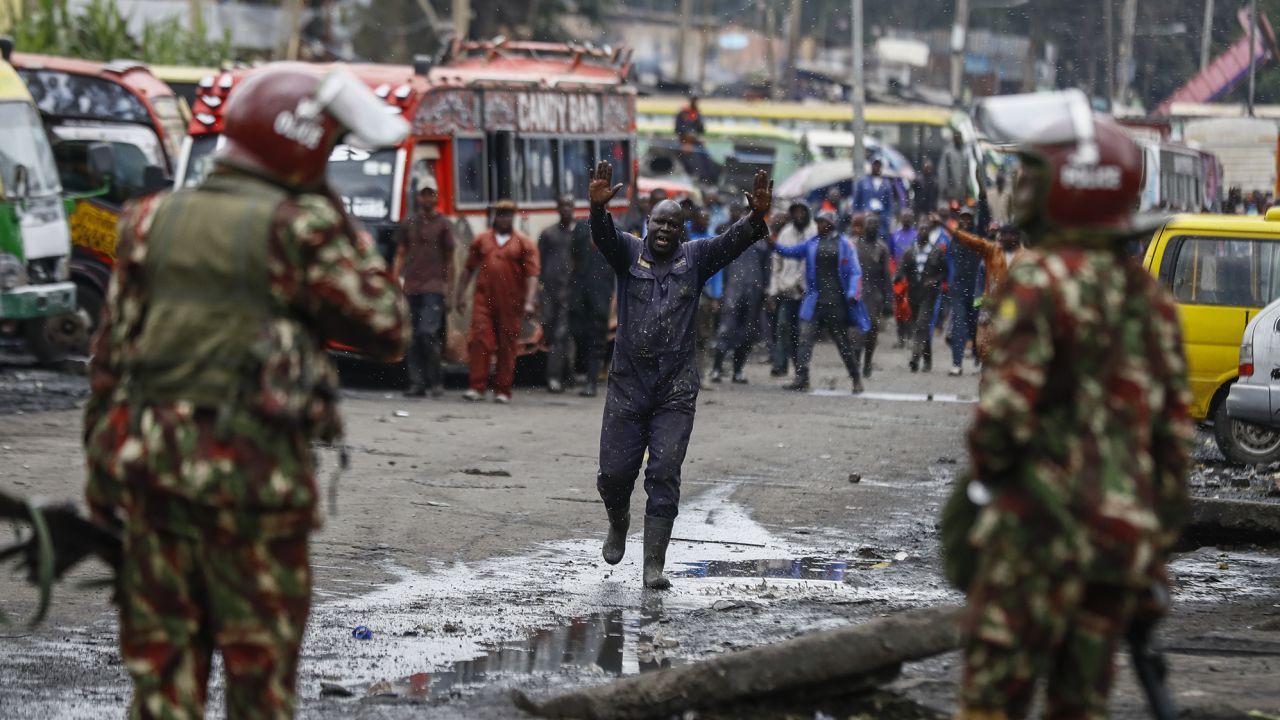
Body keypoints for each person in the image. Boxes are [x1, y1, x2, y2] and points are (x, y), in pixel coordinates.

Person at [82, 65, 410, 718]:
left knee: (161, 688)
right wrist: (333, 212)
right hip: (253, 493)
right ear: (304, 149)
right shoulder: (301, 227)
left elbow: (110, 364)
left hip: (153, 484)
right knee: (259, 686)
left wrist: (104, 487)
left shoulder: (150, 221)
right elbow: (386, 327)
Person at [957, 93, 1191, 720]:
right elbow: (1174, 444)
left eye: (1030, 173)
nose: (1019, 187)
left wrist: (986, 491)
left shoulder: (1040, 282)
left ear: (1066, 185)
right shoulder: (1150, 299)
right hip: (1117, 554)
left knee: (992, 703)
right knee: (1079, 705)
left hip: (1037, 542)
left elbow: (1001, 422)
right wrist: (1150, 545)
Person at [588, 160, 773, 589]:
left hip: (675, 388)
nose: (666, 230)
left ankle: (654, 563)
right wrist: (597, 209)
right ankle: (618, 521)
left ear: (682, 231)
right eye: (659, 223)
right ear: (647, 223)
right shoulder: (628, 253)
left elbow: (734, 241)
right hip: (627, 386)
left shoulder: (696, 258)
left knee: (665, 471)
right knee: (614, 476)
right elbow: (602, 236)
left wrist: (756, 216)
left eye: (674, 225)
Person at [773, 211, 870, 393]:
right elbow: (790, 252)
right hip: (814, 302)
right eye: (817, 222)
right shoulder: (812, 243)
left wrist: (852, 293)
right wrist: (774, 244)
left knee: (843, 344)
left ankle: (856, 378)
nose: (817, 225)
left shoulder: (845, 244)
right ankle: (802, 378)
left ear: (831, 224)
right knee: (804, 340)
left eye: (821, 222)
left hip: (836, 303)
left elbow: (855, 272)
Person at [455, 199, 540, 404]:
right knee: (480, 340)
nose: (503, 218)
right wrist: (459, 295)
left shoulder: (523, 243)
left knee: (507, 344)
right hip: (484, 299)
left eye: (508, 214)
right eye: (500, 214)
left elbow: (532, 275)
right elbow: (468, 269)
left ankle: (502, 389)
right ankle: (477, 386)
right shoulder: (482, 240)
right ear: (495, 217)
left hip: (511, 303)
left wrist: (529, 302)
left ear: (513, 217)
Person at [395, 176, 455, 398]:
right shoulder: (409, 223)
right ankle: (417, 383)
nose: (427, 198)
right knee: (412, 337)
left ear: (436, 196)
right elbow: (401, 253)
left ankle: (436, 381)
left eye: (431, 193)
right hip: (412, 286)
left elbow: (450, 259)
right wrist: (395, 281)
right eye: (423, 193)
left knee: (427, 333)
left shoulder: (443, 225)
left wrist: (449, 288)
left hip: (434, 286)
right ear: (418, 197)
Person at [950, 221, 1024, 361]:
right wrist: (980, 302)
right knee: (984, 339)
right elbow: (981, 279)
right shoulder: (989, 254)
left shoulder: (1023, 257)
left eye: (1000, 233)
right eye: (997, 234)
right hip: (989, 302)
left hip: (1012, 304)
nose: (999, 237)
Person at [712, 209, 770, 384]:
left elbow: (767, 268)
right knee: (725, 330)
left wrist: (766, 291)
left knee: (747, 334)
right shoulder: (731, 237)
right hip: (732, 290)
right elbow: (719, 264)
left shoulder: (763, 241)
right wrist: (719, 290)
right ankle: (716, 369)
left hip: (754, 293)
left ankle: (738, 371)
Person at [570, 204, 615, 398]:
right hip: (580, 290)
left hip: (602, 291)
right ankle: (580, 371)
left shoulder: (614, 227)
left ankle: (591, 382)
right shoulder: (580, 227)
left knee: (597, 337)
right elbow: (573, 254)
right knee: (579, 331)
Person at [895, 221, 948, 373]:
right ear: (917, 231)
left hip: (929, 295)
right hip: (913, 294)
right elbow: (901, 269)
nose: (923, 231)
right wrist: (896, 279)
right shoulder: (910, 251)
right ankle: (928, 359)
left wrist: (935, 280)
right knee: (920, 327)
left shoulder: (937, 251)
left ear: (929, 232)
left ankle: (915, 358)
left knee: (920, 325)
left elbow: (944, 272)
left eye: (926, 229)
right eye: (921, 228)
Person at [769, 201, 813, 377]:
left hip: (806, 293)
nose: (799, 215)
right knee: (783, 328)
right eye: (795, 212)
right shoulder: (786, 233)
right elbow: (776, 263)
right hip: (787, 291)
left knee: (802, 333)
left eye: (802, 211)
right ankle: (780, 365)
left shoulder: (814, 232)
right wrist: (773, 291)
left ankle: (800, 369)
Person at [539, 194, 577, 393]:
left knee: (561, 335)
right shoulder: (548, 234)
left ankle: (553, 377)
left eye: (569, 205)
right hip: (550, 291)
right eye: (562, 205)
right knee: (551, 331)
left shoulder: (579, 233)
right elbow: (541, 263)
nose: (566, 209)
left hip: (570, 291)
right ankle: (567, 373)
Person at [947, 206, 983, 376]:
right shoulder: (955, 237)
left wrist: (982, 193)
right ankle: (957, 363)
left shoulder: (978, 235)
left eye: (969, 218)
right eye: (963, 218)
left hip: (975, 288)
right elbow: (948, 260)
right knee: (959, 325)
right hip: (959, 288)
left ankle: (978, 359)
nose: (966, 221)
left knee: (975, 325)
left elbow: (984, 216)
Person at [855, 214, 892, 379]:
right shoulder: (855, 246)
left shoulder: (882, 248)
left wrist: (888, 300)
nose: (872, 227)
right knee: (855, 332)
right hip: (857, 295)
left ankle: (867, 361)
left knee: (871, 332)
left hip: (875, 296)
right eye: (869, 224)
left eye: (875, 224)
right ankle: (855, 362)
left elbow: (886, 276)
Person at [689, 210, 721, 389]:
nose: (705, 220)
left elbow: (718, 272)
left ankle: (702, 374)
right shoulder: (685, 237)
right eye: (702, 217)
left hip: (706, 296)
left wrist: (716, 296)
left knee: (703, 337)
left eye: (708, 217)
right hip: (687, 293)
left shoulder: (712, 240)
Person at [852, 157, 895, 240]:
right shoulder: (863, 181)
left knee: (880, 242)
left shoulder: (886, 184)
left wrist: (887, 218)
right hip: (865, 219)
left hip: (881, 221)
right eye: (875, 165)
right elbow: (856, 201)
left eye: (878, 165)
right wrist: (858, 216)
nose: (876, 167)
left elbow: (889, 204)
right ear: (871, 166)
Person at [939, 129, 972, 206]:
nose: (958, 139)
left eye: (959, 137)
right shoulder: (948, 153)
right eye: (956, 137)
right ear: (953, 139)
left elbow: (967, 171)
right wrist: (943, 188)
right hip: (951, 191)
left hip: (963, 191)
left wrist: (968, 186)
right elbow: (943, 172)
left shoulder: (965, 152)